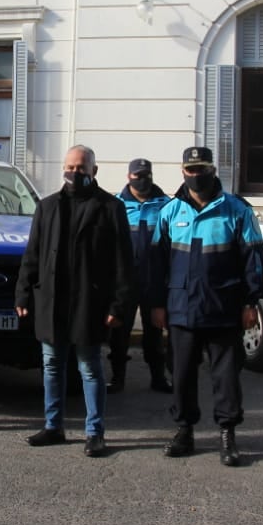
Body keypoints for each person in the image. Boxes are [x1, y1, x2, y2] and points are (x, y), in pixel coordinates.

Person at [151, 146, 263, 465]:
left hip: (224, 308)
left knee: (226, 378)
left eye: (202, 169)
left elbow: (255, 260)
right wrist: (157, 305)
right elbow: (155, 265)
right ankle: (184, 430)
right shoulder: (170, 212)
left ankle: (227, 434)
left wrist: (251, 302)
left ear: (213, 170)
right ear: (182, 172)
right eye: (191, 170)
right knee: (181, 373)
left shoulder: (237, 210)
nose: (196, 175)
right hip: (181, 309)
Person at [16, 145, 136, 458]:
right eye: (70, 167)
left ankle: (94, 432)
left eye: (81, 168)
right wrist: (23, 293)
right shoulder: (47, 206)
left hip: (90, 303)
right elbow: (32, 255)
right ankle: (53, 426)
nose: (74, 173)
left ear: (93, 171)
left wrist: (118, 306)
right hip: (51, 302)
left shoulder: (111, 207)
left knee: (90, 369)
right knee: (52, 367)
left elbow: (124, 261)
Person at [108, 157, 173, 393]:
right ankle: (117, 379)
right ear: (128, 177)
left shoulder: (166, 205)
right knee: (119, 333)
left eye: (146, 175)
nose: (142, 180)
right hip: (125, 282)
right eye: (138, 176)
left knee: (154, 332)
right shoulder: (115, 204)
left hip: (154, 281)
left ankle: (158, 378)